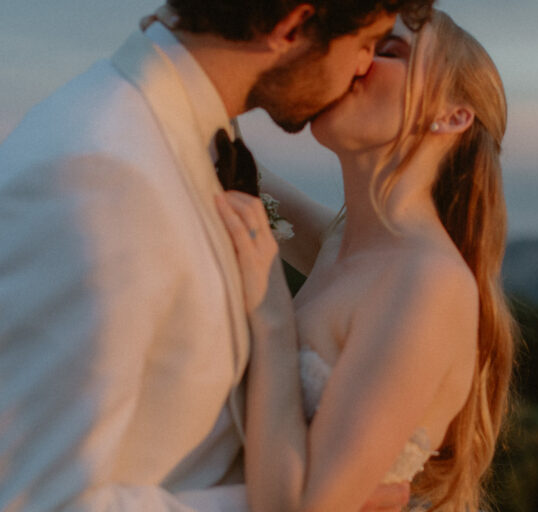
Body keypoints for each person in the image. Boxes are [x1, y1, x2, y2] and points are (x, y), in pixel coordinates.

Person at [0, 1, 434, 511]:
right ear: (291, 25)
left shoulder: (187, 134)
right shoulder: (99, 172)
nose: (364, 66)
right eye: (365, 44)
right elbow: (35, 500)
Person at [216, 10, 518, 512]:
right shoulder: (342, 242)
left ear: (452, 115)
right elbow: (225, 156)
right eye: (360, 45)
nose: (358, 63)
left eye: (389, 51)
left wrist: (269, 314)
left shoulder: (429, 283)